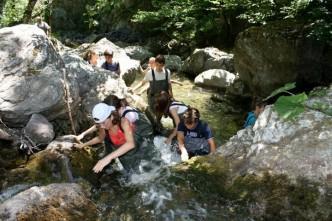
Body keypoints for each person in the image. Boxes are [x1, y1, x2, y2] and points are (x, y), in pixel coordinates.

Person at [74, 103, 138, 173]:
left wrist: (107, 158)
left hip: (137, 145)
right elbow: (100, 138)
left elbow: (131, 144)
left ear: (111, 117)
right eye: (99, 124)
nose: (102, 126)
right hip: (122, 150)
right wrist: (83, 145)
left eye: (103, 123)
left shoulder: (123, 122)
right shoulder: (103, 126)